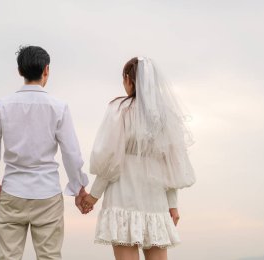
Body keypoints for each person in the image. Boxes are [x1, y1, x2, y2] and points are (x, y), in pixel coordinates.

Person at [0, 45, 90, 260]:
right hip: (47, 192)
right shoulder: (58, 107)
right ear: (46, 70)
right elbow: (71, 152)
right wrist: (79, 188)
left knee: (8, 257)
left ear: (19, 71)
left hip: (12, 190)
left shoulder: (2, 105)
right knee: (49, 257)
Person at [82, 57, 196, 260]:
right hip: (155, 201)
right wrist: (173, 203)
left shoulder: (120, 109)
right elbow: (171, 164)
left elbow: (110, 158)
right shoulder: (164, 116)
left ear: (128, 79)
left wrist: (93, 196)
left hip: (123, 198)